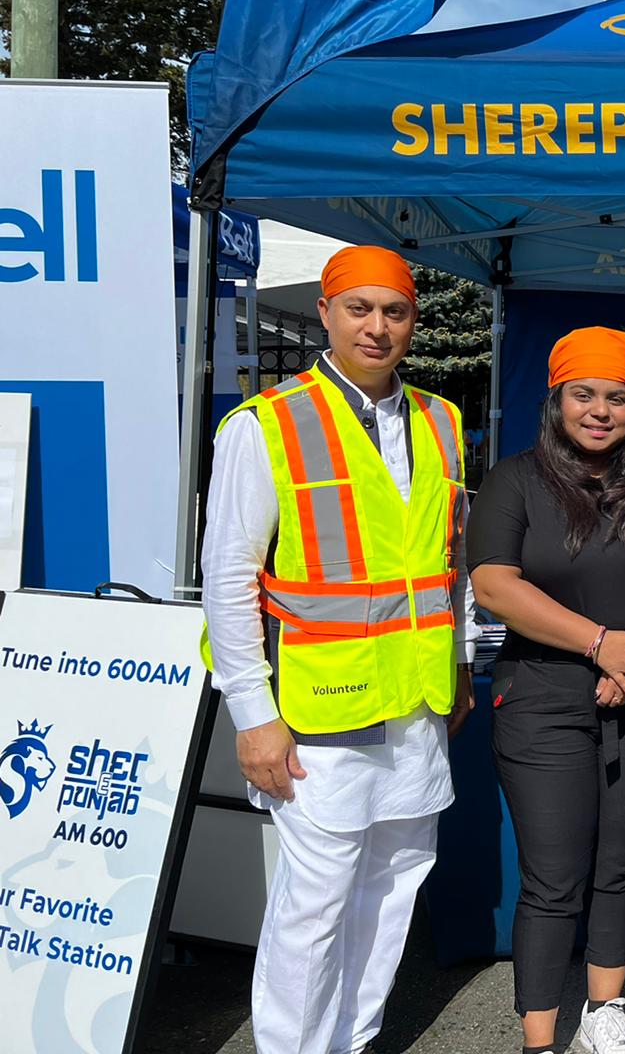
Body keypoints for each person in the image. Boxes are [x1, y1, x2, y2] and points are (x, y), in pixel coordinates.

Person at [199, 245, 476, 1054]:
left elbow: (449, 561)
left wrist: (459, 665)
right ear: (325, 313)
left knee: (394, 887)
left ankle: (351, 1041)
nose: (377, 326)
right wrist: (253, 717)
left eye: (394, 311)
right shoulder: (267, 425)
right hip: (320, 709)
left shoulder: (441, 419)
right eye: (359, 308)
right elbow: (228, 579)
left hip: (417, 703)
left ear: (412, 322)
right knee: (314, 904)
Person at [467, 326, 625, 1054]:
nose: (600, 411)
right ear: (556, 400)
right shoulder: (515, 479)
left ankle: (604, 1010)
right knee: (552, 876)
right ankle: (540, 1038)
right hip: (541, 699)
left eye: (616, 398)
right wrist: (601, 644)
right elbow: (493, 585)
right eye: (583, 395)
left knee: (620, 862)